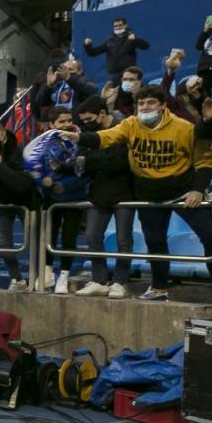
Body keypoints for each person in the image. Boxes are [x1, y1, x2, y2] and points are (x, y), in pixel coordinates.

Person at [62, 85, 212, 301]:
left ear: (163, 105)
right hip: (148, 191)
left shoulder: (184, 128)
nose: (145, 107)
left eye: (151, 103)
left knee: (211, 235)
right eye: (141, 103)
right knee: (155, 242)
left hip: (183, 191)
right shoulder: (130, 124)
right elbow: (105, 137)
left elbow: (204, 161)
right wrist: (76, 138)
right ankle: (159, 288)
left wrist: (197, 189)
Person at [22, 107, 88, 294]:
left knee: (69, 239)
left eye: (69, 120)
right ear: (51, 125)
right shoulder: (41, 145)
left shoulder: (79, 141)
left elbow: (85, 173)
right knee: (48, 237)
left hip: (74, 198)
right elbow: (34, 168)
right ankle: (47, 273)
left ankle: (64, 277)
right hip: (51, 200)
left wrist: (64, 185)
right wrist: (44, 182)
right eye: (61, 122)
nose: (66, 125)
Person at [74, 97, 134, 298]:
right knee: (92, 236)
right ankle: (99, 279)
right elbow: (83, 162)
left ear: (102, 113)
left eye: (89, 119)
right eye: (83, 120)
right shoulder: (88, 134)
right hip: (98, 193)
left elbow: (120, 162)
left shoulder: (123, 129)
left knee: (123, 239)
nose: (86, 123)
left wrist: (90, 160)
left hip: (125, 192)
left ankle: (120, 281)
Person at [0, 122, 34, 290]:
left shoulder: (19, 152)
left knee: (35, 238)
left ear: (4, 138)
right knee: (4, 243)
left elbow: (22, 183)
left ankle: (39, 276)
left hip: (23, 201)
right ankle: (16, 278)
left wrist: (1, 166)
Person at [83, 18, 150, 85]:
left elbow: (146, 46)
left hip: (129, 74)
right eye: (115, 26)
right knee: (113, 94)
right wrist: (88, 45)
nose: (118, 27)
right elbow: (93, 53)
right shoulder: (109, 41)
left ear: (125, 26)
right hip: (113, 76)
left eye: (120, 25)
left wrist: (136, 39)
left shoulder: (132, 38)